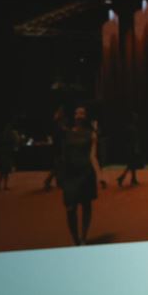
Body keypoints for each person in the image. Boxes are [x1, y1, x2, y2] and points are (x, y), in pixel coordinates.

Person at [57, 105, 101, 245]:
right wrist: (58, 118)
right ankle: (75, 239)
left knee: (86, 205)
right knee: (70, 208)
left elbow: (93, 156)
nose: (79, 115)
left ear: (86, 116)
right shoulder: (67, 132)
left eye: (82, 113)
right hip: (70, 175)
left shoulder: (91, 134)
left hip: (85, 173)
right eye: (77, 113)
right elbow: (58, 126)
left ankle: (83, 237)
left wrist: (99, 175)